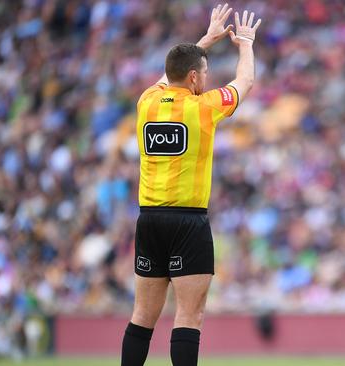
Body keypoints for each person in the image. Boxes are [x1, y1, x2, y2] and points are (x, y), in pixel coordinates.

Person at [120, 4, 261, 366]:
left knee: (142, 316)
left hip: (149, 220)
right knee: (188, 316)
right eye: (205, 73)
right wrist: (244, 43)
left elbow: (173, 74)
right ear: (197, 79)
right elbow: (244, 82)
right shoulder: (205, 107)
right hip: (188, 221)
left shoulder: (146, 102)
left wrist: (204, 43)